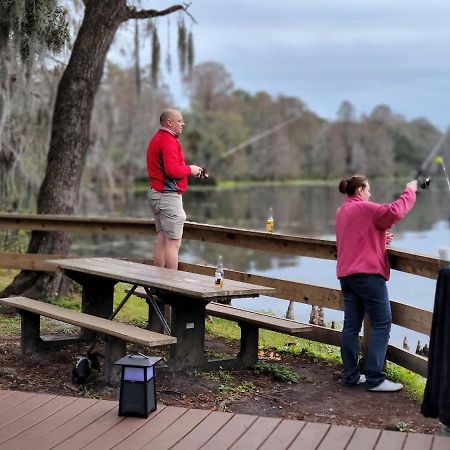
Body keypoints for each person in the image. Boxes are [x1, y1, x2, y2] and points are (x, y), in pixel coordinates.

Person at [335, 175, 417, 392]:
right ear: (360, 190)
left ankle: (351, 376)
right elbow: (394, 212)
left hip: (347, 276)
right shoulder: (364, 208)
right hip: (368, 276)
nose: (370, 194)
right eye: (368, 190)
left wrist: (380, 237)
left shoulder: (343, 211)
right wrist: (410, 190)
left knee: (351, 326)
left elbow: (356, 236)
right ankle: (375, 379)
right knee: (382, 323)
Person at [147, 109, 203, 269]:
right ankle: (171, 289)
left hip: (156, 194)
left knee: (163, 239)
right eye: (180, 121)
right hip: (167, 197)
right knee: (173, 243)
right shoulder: (168, 140)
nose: (183, 124)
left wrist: (187, 168)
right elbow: (172, 171)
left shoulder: (157, 139)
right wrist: (190, 169)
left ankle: (158, 284)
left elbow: (168, 168)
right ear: (169, 122)